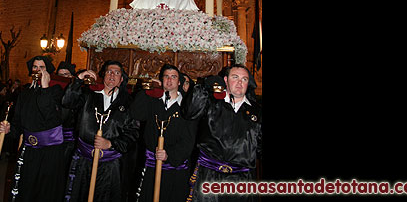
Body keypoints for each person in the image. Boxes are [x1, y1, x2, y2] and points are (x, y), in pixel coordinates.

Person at [181, 64, 262, 201]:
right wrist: (204, 86)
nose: (239, 83)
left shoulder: (256, 111)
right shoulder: (211, 103)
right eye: (235, 78)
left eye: (244, 79)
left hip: (240, 180)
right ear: (225, 80)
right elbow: (190, 113)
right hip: (209, 175)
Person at [62, 60, 140, 202]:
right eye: (109, 71)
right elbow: (67, 102)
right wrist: (78, 80)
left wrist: (111, 143)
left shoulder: (128, 103)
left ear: (121, 80)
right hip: (83, 162)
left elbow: (132, 133)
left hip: (110, 166)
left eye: (117, 73)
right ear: (103, 75)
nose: (112, 75)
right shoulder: (89, 96)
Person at [0, 55, 66, 202]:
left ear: (47, 72)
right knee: (26, 188)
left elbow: (51, 117)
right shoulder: (24, 93)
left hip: (50, 151)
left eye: (42, 67)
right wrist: (9, 129)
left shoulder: (55, 91)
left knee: (45, 192)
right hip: (29, 149)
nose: (38, 70)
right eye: (35, 67)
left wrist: (45, 87)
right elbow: (18, 123)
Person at [130, 64, 198, 202]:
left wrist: (169, 154)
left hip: (176, 167)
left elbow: (189, 140)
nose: (169, 80)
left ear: (179, 82)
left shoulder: (187, 106)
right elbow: (136, 113)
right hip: (152, 165)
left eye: (173, 77)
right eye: (166, 76)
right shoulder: (152, 101)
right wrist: (148, 89)